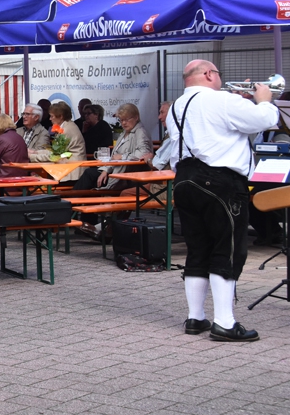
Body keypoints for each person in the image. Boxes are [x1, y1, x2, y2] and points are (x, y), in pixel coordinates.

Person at [167, 60, 276, 342]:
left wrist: (240, 102)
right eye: (218, 73)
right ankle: (225, 322)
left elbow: (221, 128)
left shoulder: (177, 105)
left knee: (198, 249)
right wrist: (263, 100)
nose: (220, 78)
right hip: (219, 180)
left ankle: (195, 317)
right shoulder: (221, 100)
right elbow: (266, 120)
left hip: (185, 179)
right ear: (208, 74)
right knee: (227, 250)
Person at [74, 103, 153, 191]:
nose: (123, 123)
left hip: (126, 177)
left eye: (126, 119)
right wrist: (105, 170)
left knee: (89, 174)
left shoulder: (140, 132)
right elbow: (114, 156)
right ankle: (73, 197)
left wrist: (122, 156)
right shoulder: (125, 132)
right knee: (90, 175)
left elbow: (144, 153)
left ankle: (72, 197)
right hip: (116, 172)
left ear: (136, 117)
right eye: (121, 120)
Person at [28, 102, 86, 182]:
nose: (50, 119)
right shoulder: (67, 125)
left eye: (52, 116)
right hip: (70, 169)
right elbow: (55, 152)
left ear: (61, 116)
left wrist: (32, 156)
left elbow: (55, 156)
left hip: (72, 173)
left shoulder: (66, 130)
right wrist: (35, 152)